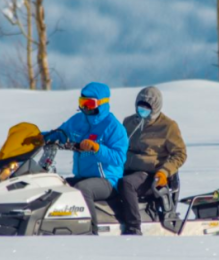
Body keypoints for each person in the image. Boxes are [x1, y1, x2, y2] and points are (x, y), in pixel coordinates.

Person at [41, 82, 128, 235]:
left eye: (90, 103)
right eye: (82, 102)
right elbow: (60, 134)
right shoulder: (77, 120)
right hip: (82, 176)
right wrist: (39, 137)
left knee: (82, 190)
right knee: (57, 185)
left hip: (108, 181)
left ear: (101, 104)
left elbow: (119, 157)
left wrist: (97, 148)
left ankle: (90, 232)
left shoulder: (113, 127)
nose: (85, 107)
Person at [118, 86, 187, 235]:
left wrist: (164, 172)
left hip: (151, 175)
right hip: (125, 168)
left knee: (126, 183)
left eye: (147, 107)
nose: (142, 109)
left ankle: (133, 227)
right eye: (140, 105)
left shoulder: (168, 126)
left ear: (155, 107)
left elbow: (180, 153)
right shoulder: (129, 122)